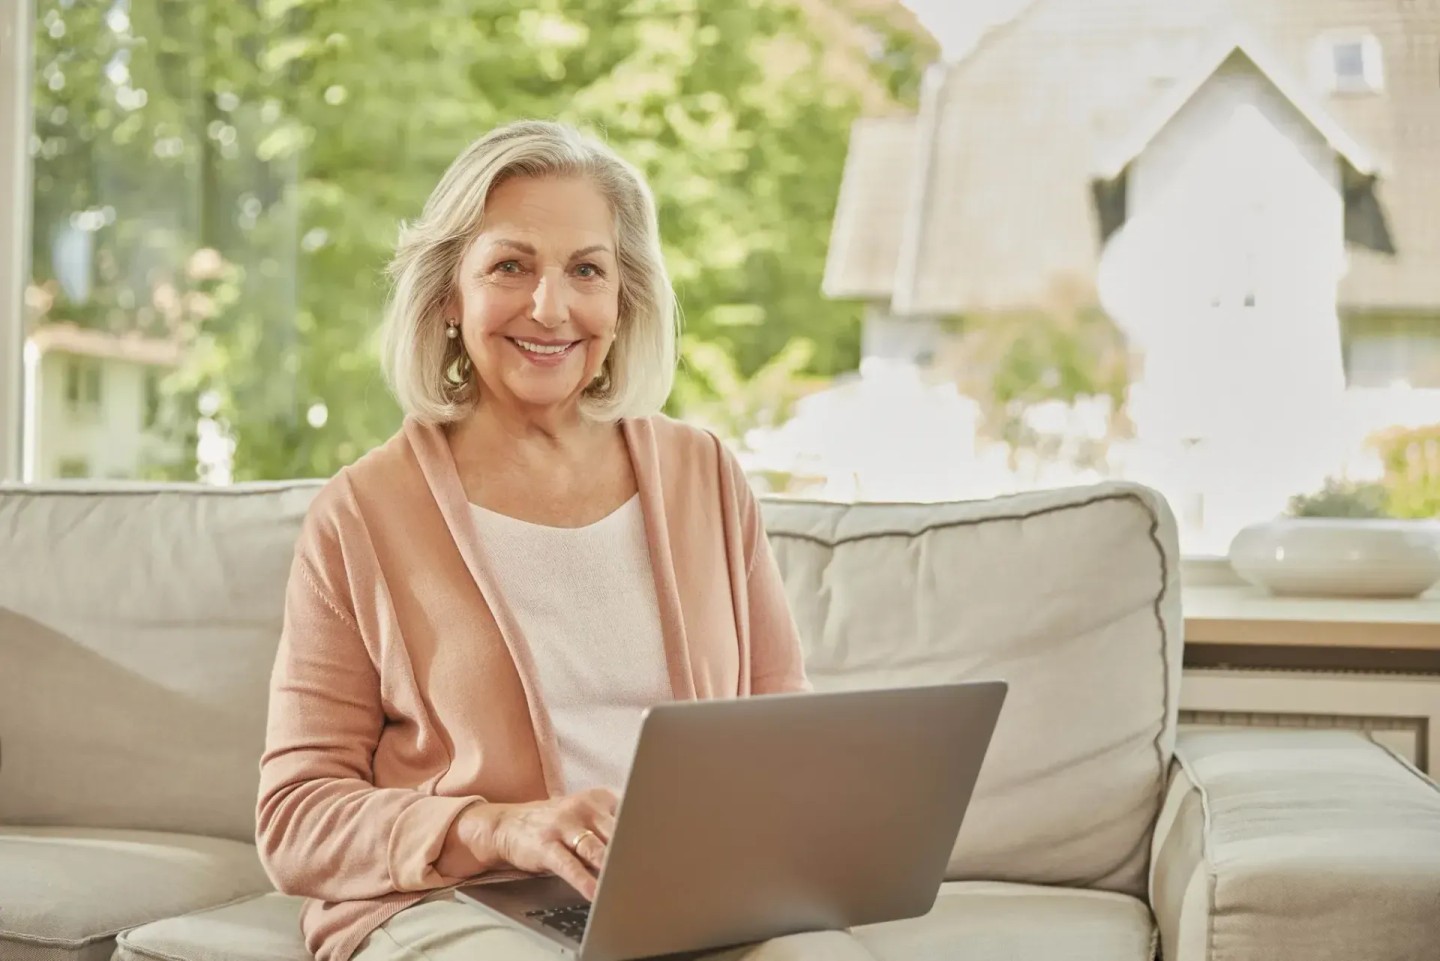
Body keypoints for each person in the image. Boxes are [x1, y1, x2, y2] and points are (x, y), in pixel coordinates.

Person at [255, 120, 871, 961]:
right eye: (510, 266)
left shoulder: (706, 475)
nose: (551, 307)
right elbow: (295, 816)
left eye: (587, 269)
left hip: (688, 896)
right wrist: (502, 828)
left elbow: (781, 728)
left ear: (622, 302)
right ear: (448, 295)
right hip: (458, 901)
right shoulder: (360, 512)